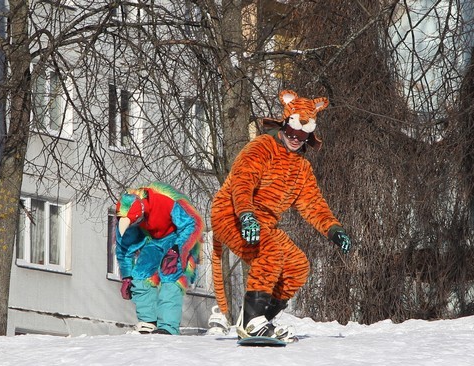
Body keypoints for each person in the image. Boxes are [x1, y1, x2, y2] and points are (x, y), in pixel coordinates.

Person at [208, 89, 352, 341]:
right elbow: (242, 182)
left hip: (265, 223)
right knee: (271, 252)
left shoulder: (301, 167)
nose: (296, 140)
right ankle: (252, 320)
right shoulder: (261, 147)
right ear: (284, 125)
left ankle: (257, 319)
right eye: (293, 132)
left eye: (303, 136)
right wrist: (246, 215)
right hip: (231, 213)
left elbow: (312, 204)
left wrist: (333, 229)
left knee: (297, 265)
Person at [115, 182, 204, 335]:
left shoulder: (164, 202)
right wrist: (127, 276)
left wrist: (177, 249)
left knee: (170, 271)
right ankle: (148, 321)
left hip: (177, 237)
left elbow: (191, 224)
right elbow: (124, 249)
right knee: (140, 273)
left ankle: (168, 325)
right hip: (154, 240)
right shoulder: (128, 219)